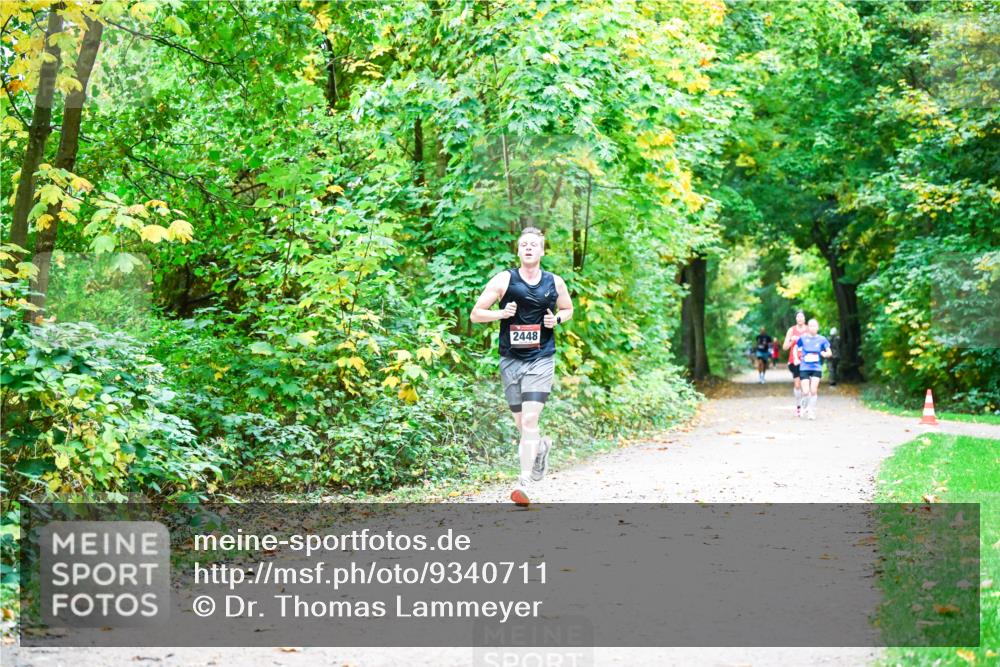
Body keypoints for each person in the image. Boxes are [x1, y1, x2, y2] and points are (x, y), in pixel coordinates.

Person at [470, 227, 574, 506]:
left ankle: (523, 482)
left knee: (530, 420)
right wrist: (500, 314)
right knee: (521, 423)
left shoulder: (555, 282)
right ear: (518, 250)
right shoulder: (504, 279)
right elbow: (476, 314)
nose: (528, 248)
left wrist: (558, 321)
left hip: (542, 358)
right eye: (524, 244)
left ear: (541, 251)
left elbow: (567, 309)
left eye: (534, 245)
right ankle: (540, 447)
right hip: (510, 361)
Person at [796, 319, 833, 419]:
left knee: (813, 390)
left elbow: (829, 352)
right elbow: (796, 347)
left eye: (814, 326)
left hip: (816, 367)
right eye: (810, 326)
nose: (812, 328)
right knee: (805, 391)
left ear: (817, 327)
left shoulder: (822, 339)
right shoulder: (802, 338)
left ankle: (811, 411)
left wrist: (825, 354)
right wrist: (796, 358)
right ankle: (804, 404)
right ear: (808, 327)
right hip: (804, 367)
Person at [782, 311, 810, 417]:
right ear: (796, 319)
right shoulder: (791, 330)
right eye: (798, 317)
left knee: (806, 386)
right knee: (798, 385)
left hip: (807, 360)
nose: (800, 318)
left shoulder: (809, 329)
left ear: (804, 319)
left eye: (801, 316)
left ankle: (805, 406)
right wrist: (792, 341)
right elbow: (785, 347)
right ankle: (798, 406)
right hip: (794, 361)